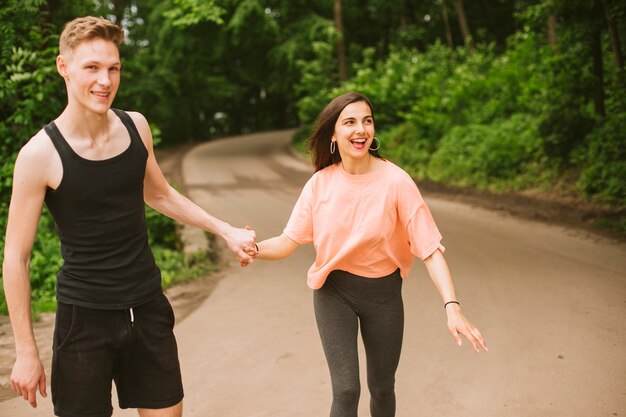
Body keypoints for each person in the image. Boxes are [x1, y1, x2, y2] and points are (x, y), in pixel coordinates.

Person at [2, 16, 256, 417]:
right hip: (83, 320)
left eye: (113, 68)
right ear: (63, 67)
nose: (105, 80)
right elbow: (16, 257)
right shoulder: (39, 155)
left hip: (147, 308)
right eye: (92, 68)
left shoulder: (135, 126)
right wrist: (26, 353)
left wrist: (224, 230)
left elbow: (158, 193)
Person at [242, 92, 488, 417]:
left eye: (367, 121)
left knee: (383, 388)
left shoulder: (396, 182)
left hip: (383, 295)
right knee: (345, 390)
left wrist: (452, 306)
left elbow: (429, 249)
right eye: (350, 122)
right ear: (333, 133)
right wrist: (255, 249)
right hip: (334, 292)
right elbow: (289, 241)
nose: (361, 130)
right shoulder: (320, 185)